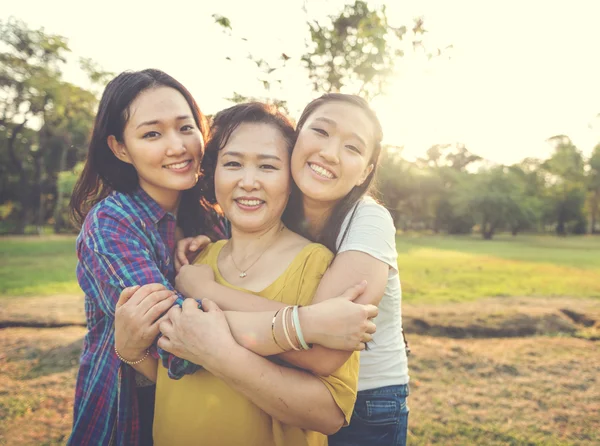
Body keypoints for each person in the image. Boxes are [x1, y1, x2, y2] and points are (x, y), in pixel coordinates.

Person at [118, 102, 378, 445]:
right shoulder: (193, 260)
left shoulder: (316, 265)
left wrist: (218, 349)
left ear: (291, 177)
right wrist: (132, 351)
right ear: (212, 177)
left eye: (268, 166)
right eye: (233, 164)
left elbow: (330, 413)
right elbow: (179, 372)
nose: (248, 181)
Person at [177, 93, 410, 445]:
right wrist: (202, 245)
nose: (330, 153)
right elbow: (308, 324)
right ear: (296, 138)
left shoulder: (368, 220)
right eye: (321, 132)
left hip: (367, 398)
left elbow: (321, 349)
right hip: (287, 384)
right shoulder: (276, 205)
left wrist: (206, 297)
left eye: (352, 148)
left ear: (365, 170)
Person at [67, 68, 222, 446]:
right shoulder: (112, 223)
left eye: (186, 128)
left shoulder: (215, 219)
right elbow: (179, 348)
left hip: (211, 416)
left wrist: (220, 253)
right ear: (120, 148)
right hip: (132, 417)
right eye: (152, 133)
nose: (177, 146)